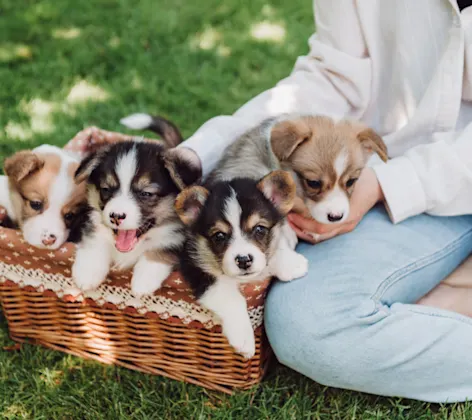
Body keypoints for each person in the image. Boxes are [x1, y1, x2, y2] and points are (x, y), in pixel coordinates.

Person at [181, 0, 472, 402]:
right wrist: (194, 156)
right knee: (304, 320)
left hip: (457, 192)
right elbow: (332, 76)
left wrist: (386, 184)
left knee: (315, 325)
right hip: (382, 176)